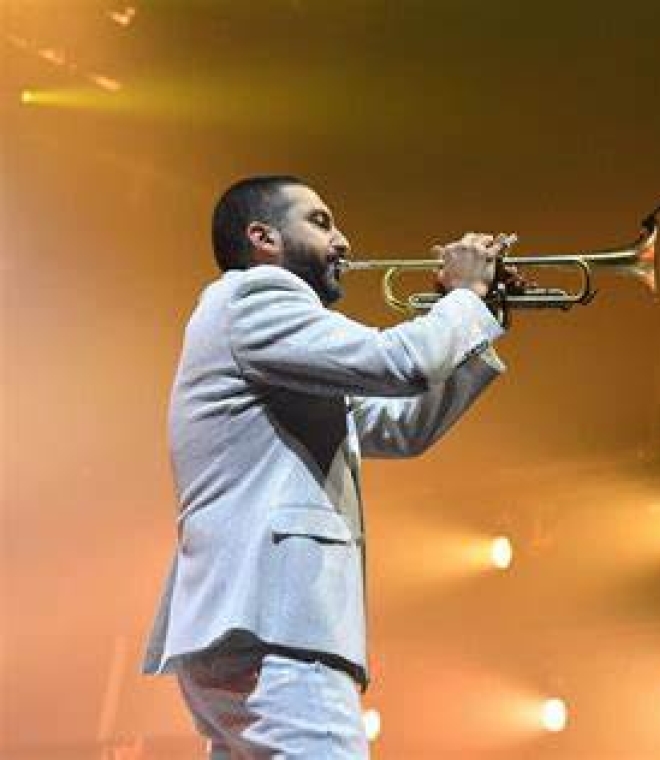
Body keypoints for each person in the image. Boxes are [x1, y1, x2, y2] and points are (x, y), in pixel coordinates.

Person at [141, 175, 508, 758]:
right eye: (320, 221)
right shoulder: (255, 297)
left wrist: (481, 318)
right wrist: (464, 297)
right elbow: (401, 362)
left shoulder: (277, 348)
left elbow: (402, 427)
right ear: (262, 237)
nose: (343, 240)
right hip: (274, 623)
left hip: (248, 623)